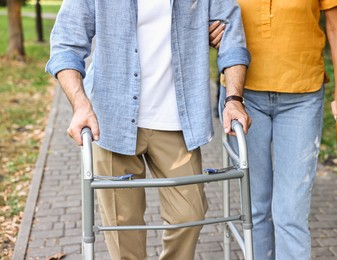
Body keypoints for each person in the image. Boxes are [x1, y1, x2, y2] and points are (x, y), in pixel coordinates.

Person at [46, 0, 251, 259]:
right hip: (112, 120)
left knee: (189, 215)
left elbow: (232, 34)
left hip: (177, 121)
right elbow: (66, 43)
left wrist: (234, 99)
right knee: (123, 229)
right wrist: (80, 105)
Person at [210, 1, 337, 259]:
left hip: (302, 94)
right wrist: (208, 30)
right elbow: (197, 14)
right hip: (242, 96)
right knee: (255, 207)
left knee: (291, 212)